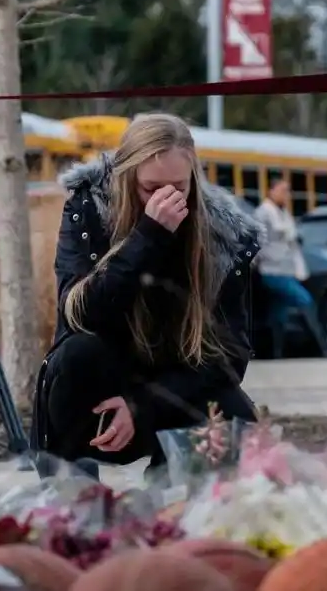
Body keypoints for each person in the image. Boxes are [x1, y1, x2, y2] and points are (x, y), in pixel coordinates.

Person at [30, 113, 262, 472]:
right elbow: (81, 315)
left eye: (178, 188)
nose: (165, 199)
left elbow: (230, 356)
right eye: (151, 189)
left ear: (193, 179)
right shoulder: (89, 210)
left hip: (165, 393)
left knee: (234, 412)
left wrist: (141, 405)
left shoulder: (224, 238)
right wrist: (148, 236)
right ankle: (72, 491)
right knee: (77, 354)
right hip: (98, 394)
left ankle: (176, 492)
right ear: (127, 179)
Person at [253, 179, 327, 358]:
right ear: (271, 191)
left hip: (287, 269)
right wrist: (263, 258)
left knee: (278, 314)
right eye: (282, 190)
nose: (287, 195)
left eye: (288, 191)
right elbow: (256, 240)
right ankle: (322, 347)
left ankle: (275, 352)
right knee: (304, 300)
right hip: (272, 270)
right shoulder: (263, 213)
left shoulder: (284, 213)